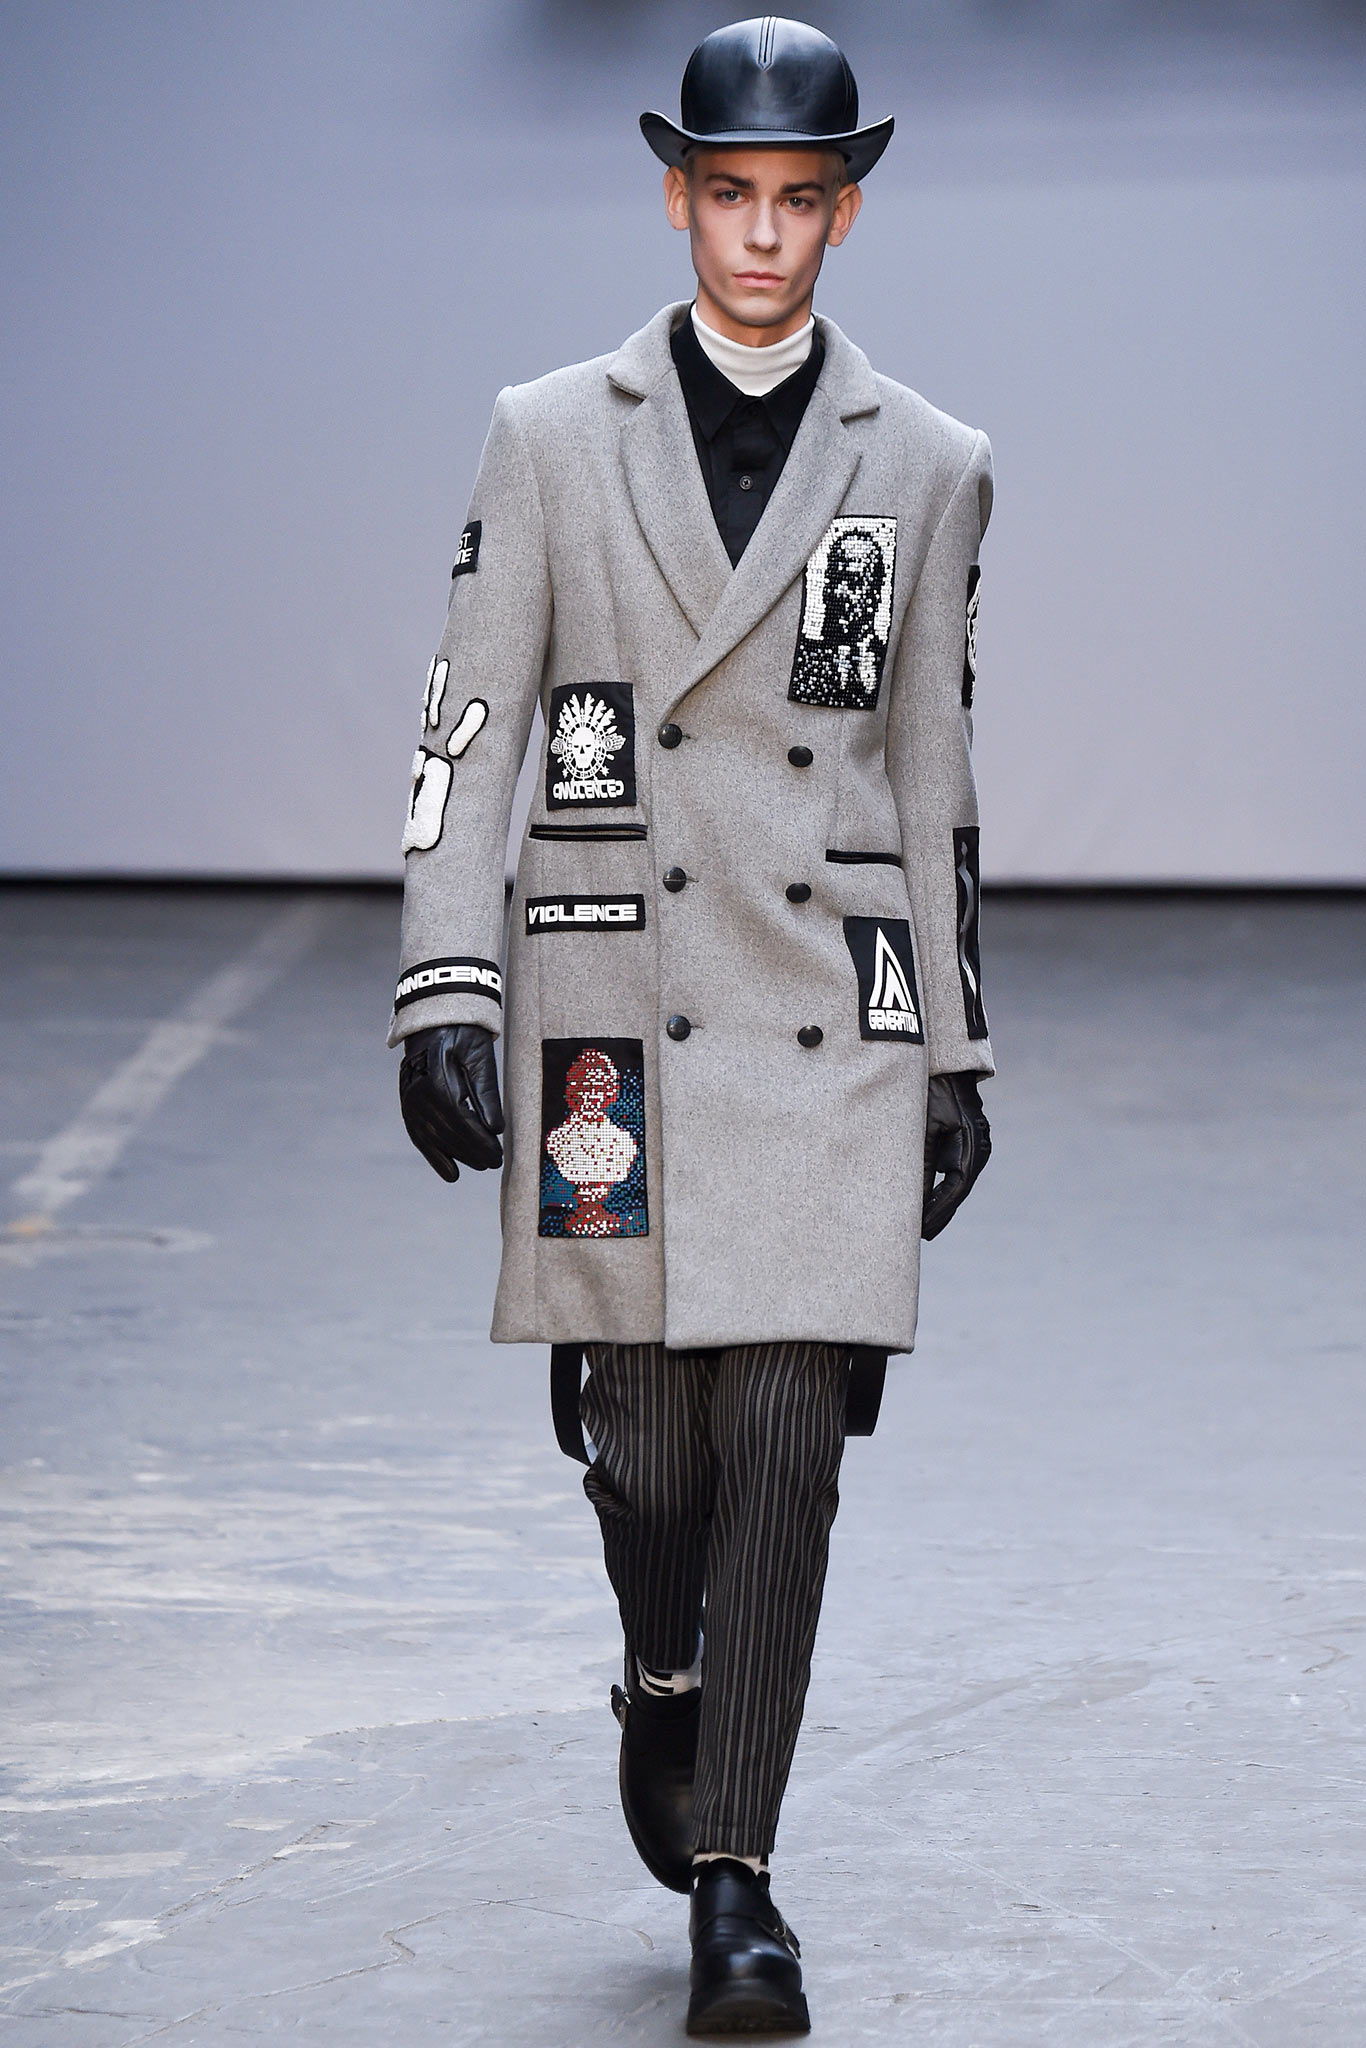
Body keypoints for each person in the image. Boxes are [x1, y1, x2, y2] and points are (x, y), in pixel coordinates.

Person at [390, 17, 994, 2034]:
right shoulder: (552, 433)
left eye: (795, 200)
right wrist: (445, 977)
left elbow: (934, 772)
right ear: (676, 196)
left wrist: (957, 1047)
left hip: (827, 1015)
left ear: (841, 211)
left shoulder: (926, 463)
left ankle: (738, 1882)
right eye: (727, 194)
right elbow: (467, 723)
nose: (759, 233)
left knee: (788, 1446)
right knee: (651, 1459)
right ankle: (664, 1670)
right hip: (611, 1019)